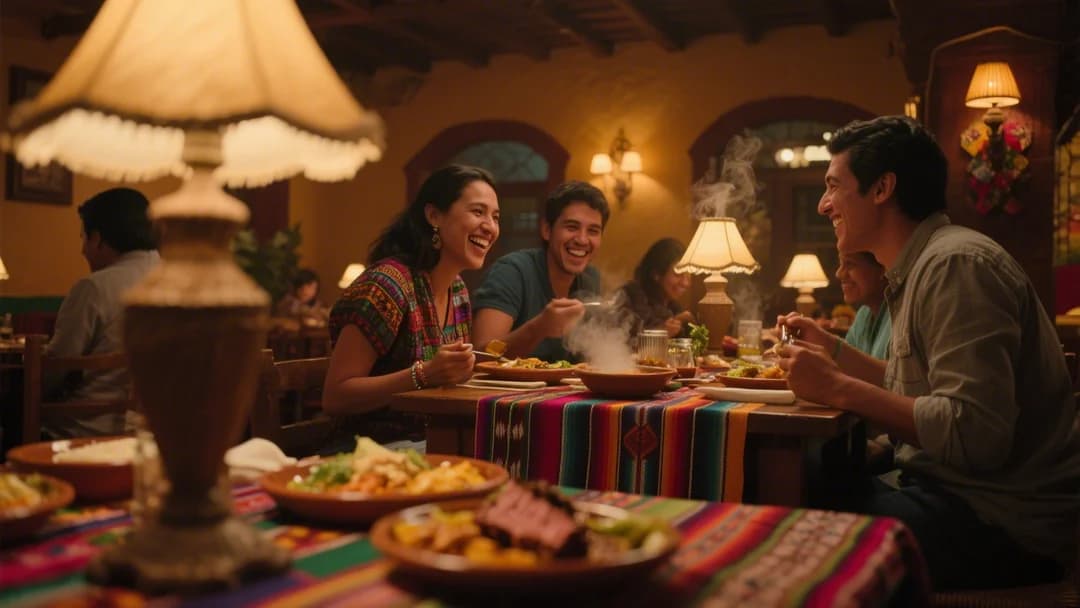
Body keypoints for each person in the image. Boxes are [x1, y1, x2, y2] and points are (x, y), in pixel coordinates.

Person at [775, 116, 1079, 591]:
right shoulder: (921, 266)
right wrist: (832, 348)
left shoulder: (956, 265)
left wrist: (837, 386)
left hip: (1003, 524)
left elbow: (974, 431)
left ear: (882, 189)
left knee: (786, 513)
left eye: (834, 186)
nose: (822, 204)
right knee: (795, 477)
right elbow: (916, 392)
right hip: (954, 498)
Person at [322, 165, 499, 444]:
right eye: (478, 212)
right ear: (434, 216)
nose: (490, 227)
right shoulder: (386, 285)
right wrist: (425, 374)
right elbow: (336, 396)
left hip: (435, 444)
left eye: (495, 216)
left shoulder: (458, 291)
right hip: (369, 453)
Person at [45, 187, 160, 437]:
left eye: (83, 238)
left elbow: (51, 374)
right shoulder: (177, 278)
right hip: (156, 433)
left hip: (84, 430)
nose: (82, 250)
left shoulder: (94, 288)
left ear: (97, 238)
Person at [471, 180, 610, 362]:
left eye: (593, 231)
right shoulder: (512, 272)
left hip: (560, 389)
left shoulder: (590, 279)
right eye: (572, 227)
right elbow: (482, 356)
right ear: (546, 230)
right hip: (507, 390)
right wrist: (539, 327)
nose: (582, 240)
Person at [614, 237, 694, 339]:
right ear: (656, 273)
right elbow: (619, 345)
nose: (685, 283)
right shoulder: (630, 298)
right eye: (678, 274)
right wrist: (661, 332)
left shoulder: (673, 307)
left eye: (688, 275)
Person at [836, 251, 890, 360]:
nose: (839, 273)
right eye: (840, 264)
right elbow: (846, 365)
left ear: (882, 269)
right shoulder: (863, 314)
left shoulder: (900, 314)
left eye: (850, 264)